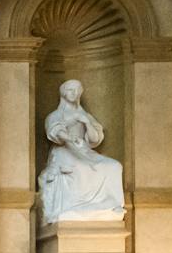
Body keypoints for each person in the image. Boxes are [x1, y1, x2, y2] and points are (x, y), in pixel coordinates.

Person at [37, 79, 125, 223]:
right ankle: (76, 207)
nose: (74, 92)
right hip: (64, 151)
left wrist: (86, 122)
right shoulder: (56, 115)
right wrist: (70, 137)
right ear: (63, 92)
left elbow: (95, 139)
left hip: (84, 151)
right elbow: (56, 132)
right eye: (71, 89)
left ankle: (110, 204)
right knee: (81, 168)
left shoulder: (85, 115)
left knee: (114, 166)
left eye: (77, 90)